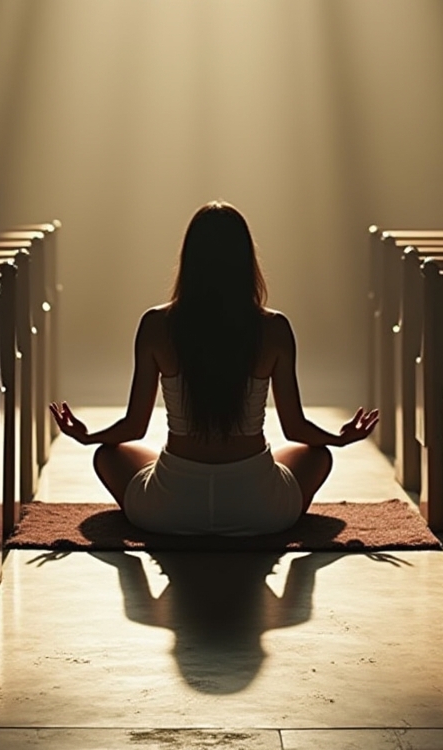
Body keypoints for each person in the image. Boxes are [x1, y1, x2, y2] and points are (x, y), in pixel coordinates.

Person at [50, 201, 379, 535]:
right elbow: (296, 430)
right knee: (317, 456)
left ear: (189, 260)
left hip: (170, 509)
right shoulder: (274, 328)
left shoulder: (156, 325)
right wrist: (339, 439)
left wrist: (88, 437)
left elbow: (133, 428)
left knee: (108, 456)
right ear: (246, 261)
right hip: (260, 509)